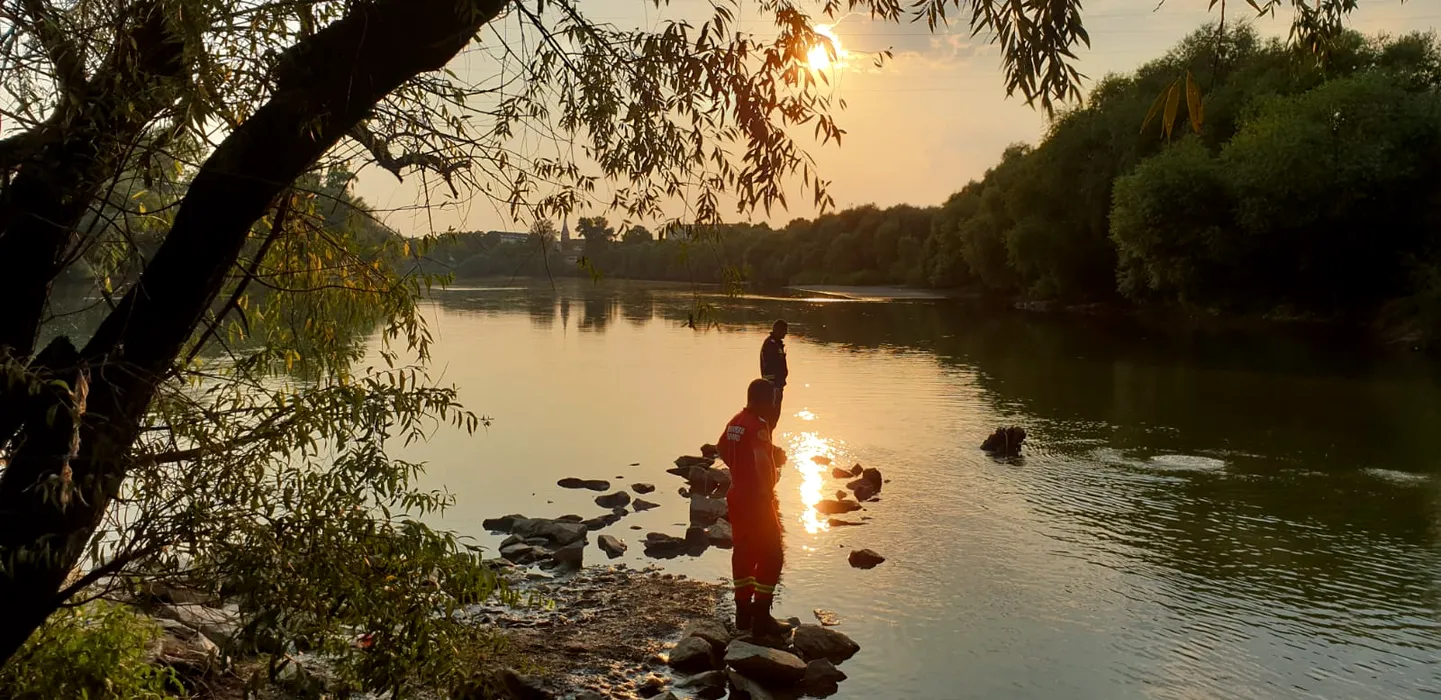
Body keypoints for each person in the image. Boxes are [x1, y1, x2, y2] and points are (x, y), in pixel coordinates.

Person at [717, 378, 786, 637]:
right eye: (772, 401)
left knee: (744, 551)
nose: (773, 406)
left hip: (737, 496)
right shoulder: (758, 426)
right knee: (772, 554)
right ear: (763, 401)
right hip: (756, 499)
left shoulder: (736, 421)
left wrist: (738, 469)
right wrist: (767, 490)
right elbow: (760, 460)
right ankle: (762, 617)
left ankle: (743, 613)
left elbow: (721, 447)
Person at [760, 319, 788, 426]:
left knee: (774, 416)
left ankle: (768, 435)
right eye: (784, 330)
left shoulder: (776, 344)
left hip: (777, 385)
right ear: (777, 329)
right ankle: (767, 435)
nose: (786, 333)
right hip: (772, 386)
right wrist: (775, 384)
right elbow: (771, 366)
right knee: (770, 416)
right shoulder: (770, 344)